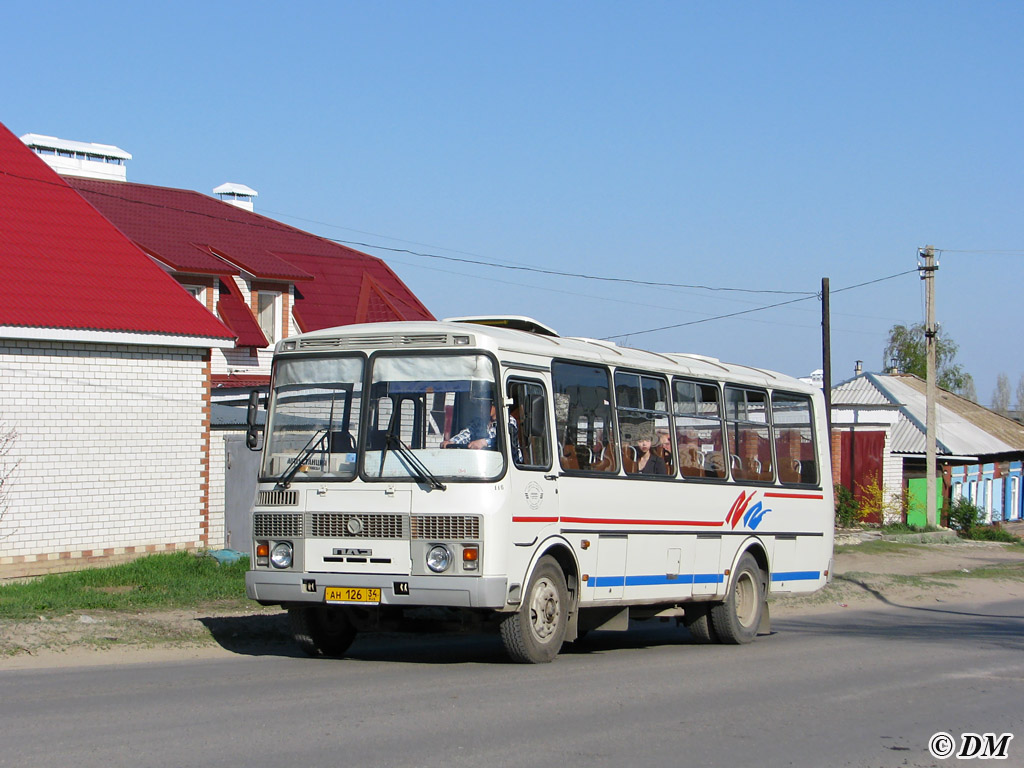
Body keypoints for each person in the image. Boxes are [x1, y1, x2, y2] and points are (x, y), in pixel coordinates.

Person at [442, 403, 523, 463]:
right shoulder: (478, 422)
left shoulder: (508, 420)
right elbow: (466, 434)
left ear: (496, 405)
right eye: (480, 405)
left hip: (507, 466)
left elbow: (506, 440)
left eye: (487, 405)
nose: (482, 408)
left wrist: (485, 442)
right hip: (483, 464)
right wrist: (451, 442)